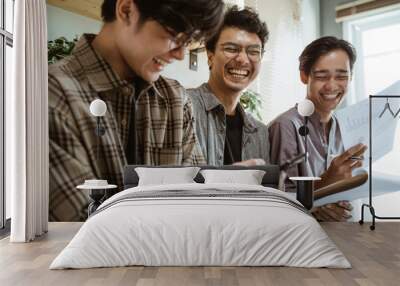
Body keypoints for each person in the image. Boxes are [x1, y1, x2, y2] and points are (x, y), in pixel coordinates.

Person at [49, 0, 224, 221]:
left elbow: (197, 205)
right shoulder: (52, 95)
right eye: (173, 35)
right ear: (126, 10)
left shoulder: (175, 99)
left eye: (187, 41)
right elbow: (81, 231)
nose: (180, 55)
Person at [268, 36, 367, 222]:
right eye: (322, 76)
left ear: (351, 77)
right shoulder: (286, 126)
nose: (332, 85)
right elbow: (280, 200)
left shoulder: (343, 127)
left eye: (341, 76)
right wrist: (318, 204)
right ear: (304, 75)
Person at [188, 6, 270, 166]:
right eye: (231, 49)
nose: (243, 60)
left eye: (253, 52)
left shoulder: (260, 132)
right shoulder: (185, 107)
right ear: (210, 56)